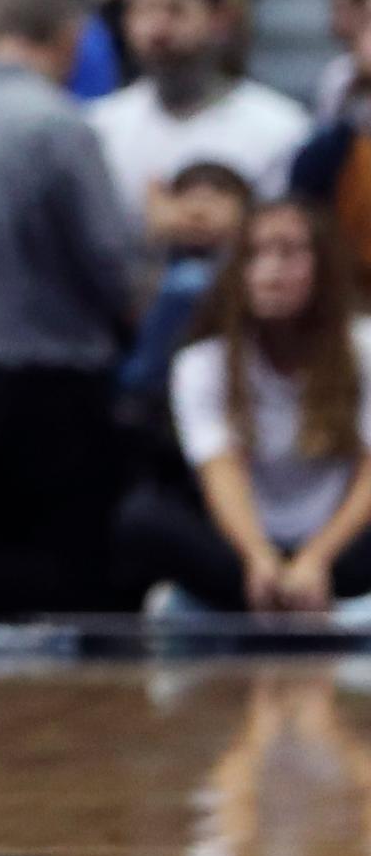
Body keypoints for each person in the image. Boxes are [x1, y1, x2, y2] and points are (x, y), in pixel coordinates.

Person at [0, 0, 140, 617]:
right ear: (70, 35)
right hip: (51, 379)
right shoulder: (61, 125)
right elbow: (107, 258)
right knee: (65, 588)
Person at [113, 196, 371, 613]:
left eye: (288, 253)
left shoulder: (364, 349)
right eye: (255, 254)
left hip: (340, 544)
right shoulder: (202, 362)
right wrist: (258, 558)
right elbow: (220, 471)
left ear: (323, 268)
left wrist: (315, 560)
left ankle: (321, 603)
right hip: (245, 546)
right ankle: (265, 600)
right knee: (143, 520)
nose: (270, 271)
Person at [86, 0, 311, 228]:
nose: (157, 29)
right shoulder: (99, 127)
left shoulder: (281, 128)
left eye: (175, 10)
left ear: (220, 18)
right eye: (144, 9)